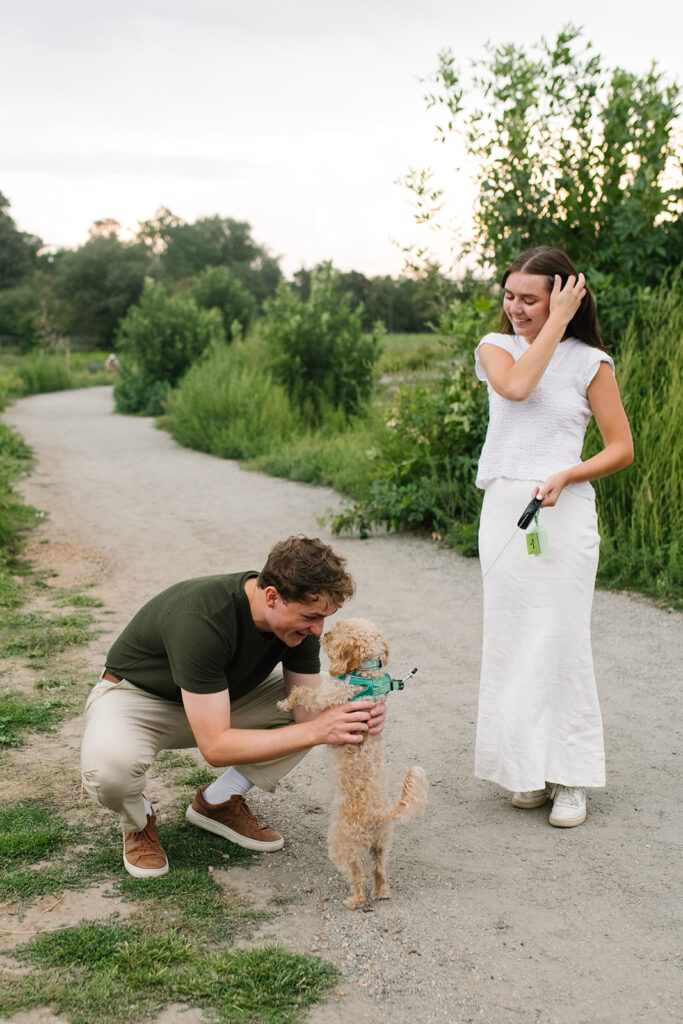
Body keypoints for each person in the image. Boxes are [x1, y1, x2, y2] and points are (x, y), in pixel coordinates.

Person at [81, 535, 386, 877]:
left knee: (335, 705)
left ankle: (219, 802)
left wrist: (359, 710)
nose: (318, 630)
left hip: (216, 698)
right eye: (311, 616)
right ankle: (138, 820)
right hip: (138, 699)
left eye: (324, 618)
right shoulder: (202, 618)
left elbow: (308, 713)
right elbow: (215, 747)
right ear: (272, 597)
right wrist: (319, 730)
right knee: (110, 770)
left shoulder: (299, 629)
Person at [473, 247, 633, 828]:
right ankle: (527, 771)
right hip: (504, 510)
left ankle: (571, 777)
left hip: (562, 512)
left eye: (530, 299)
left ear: (562, 298)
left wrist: (568, 473)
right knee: (512, 638)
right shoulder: (496, 348)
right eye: (509, 296)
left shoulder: (590, 362)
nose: (515, 308)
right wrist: (552, 324)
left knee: (560, 639)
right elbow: (517, 387)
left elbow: (621, 448)